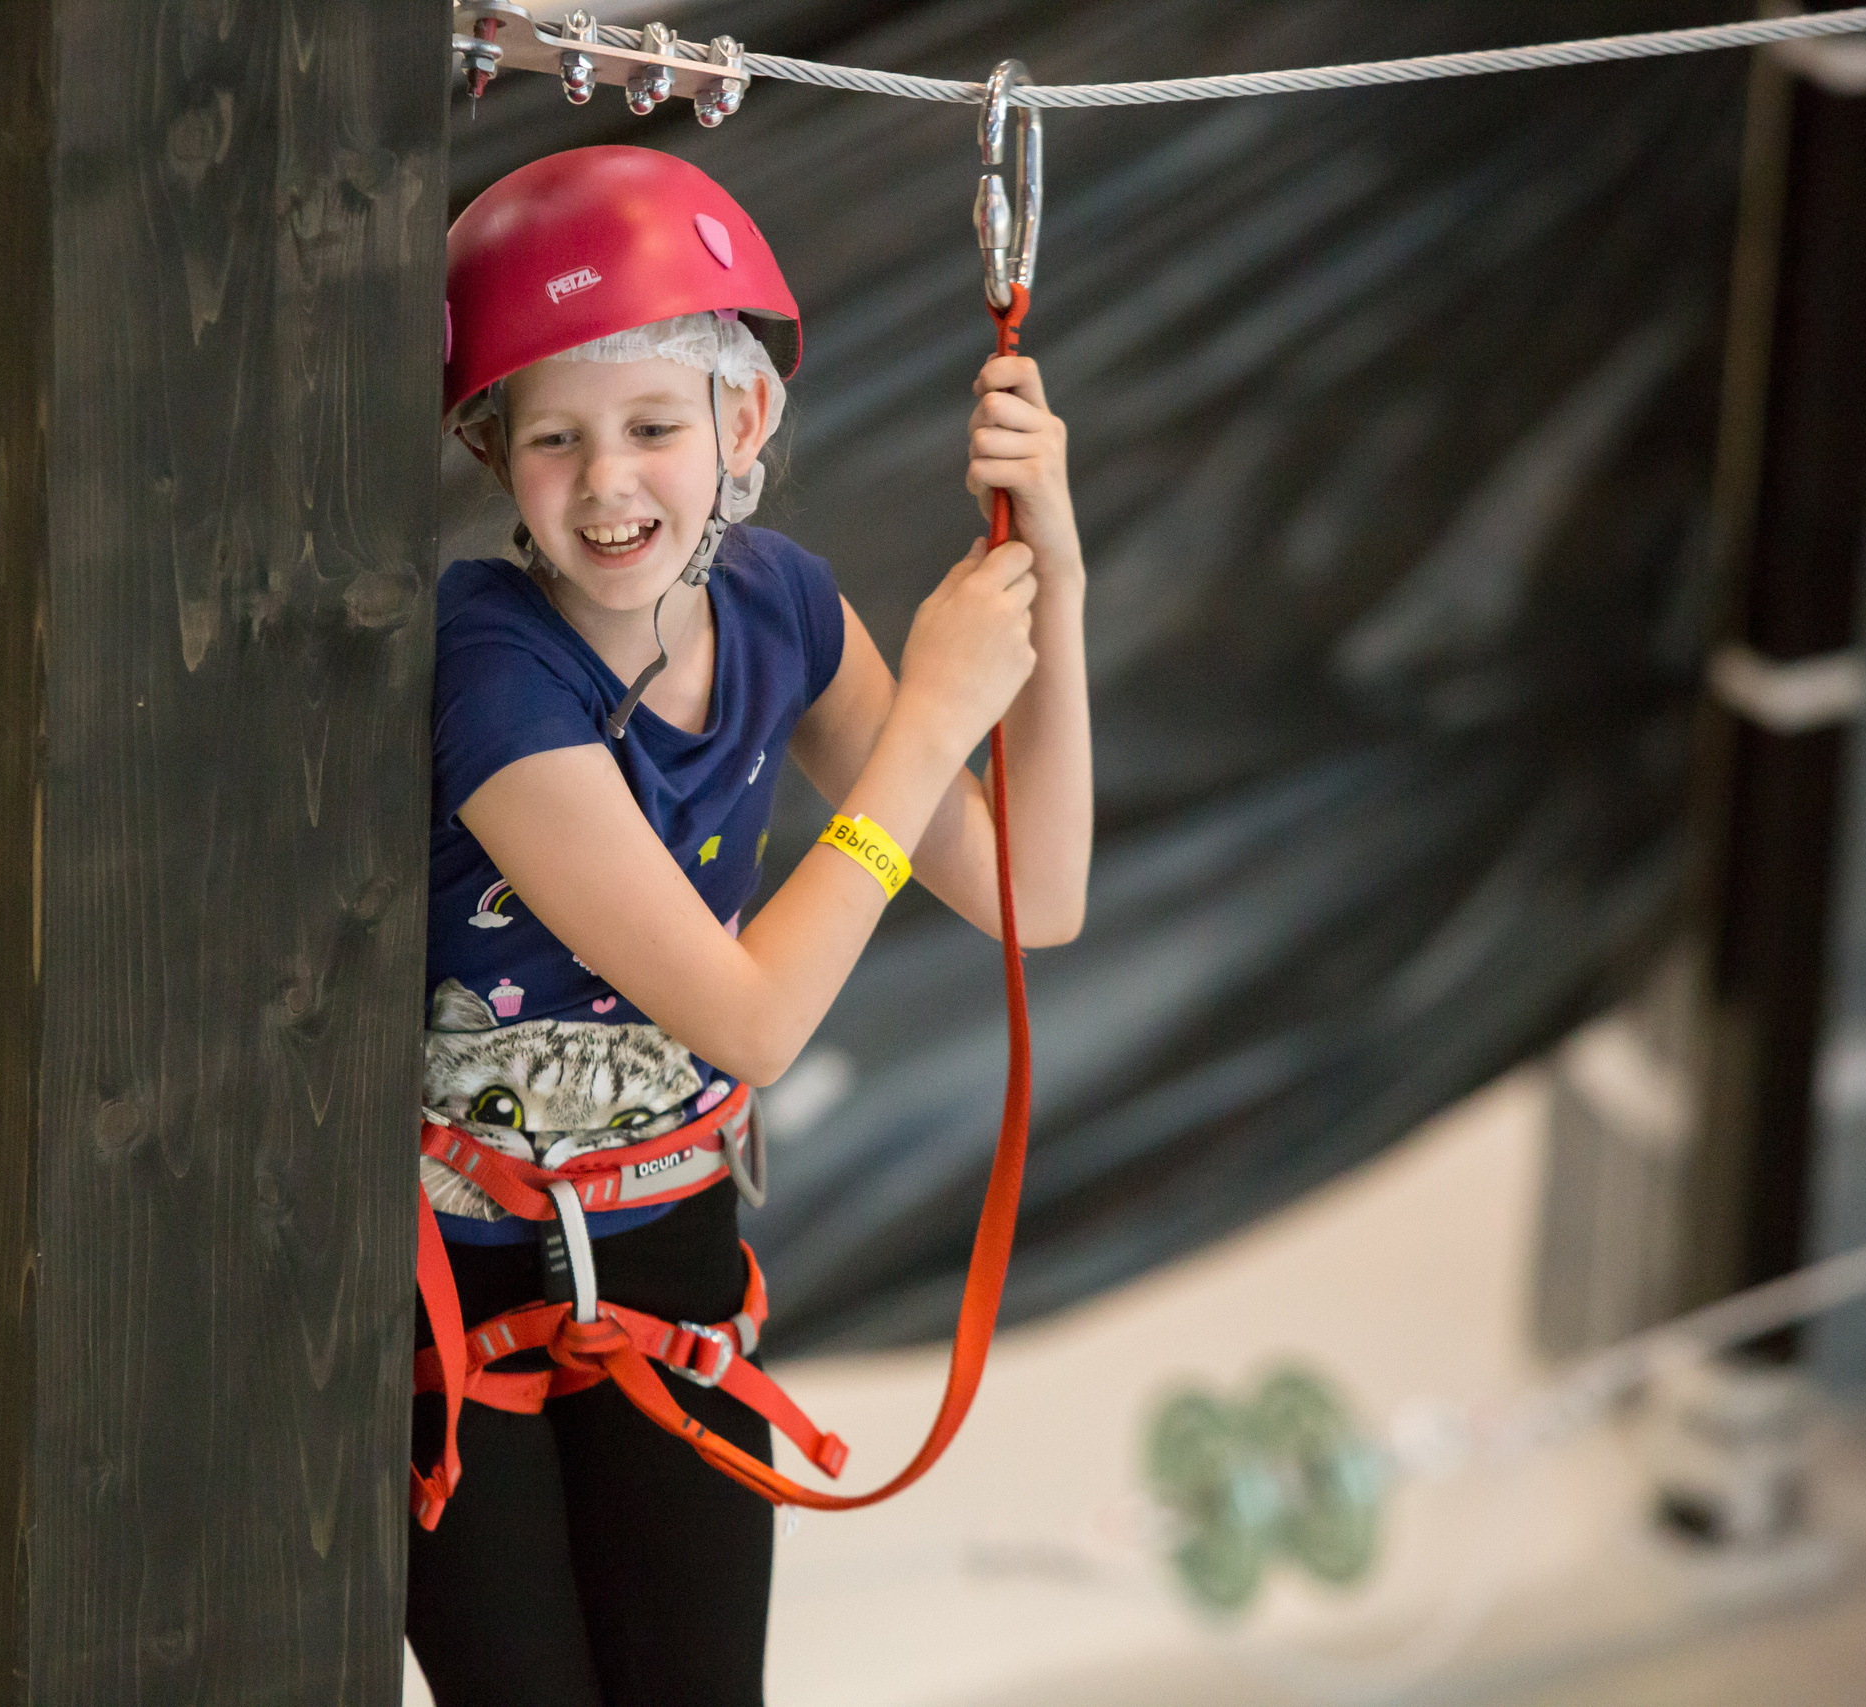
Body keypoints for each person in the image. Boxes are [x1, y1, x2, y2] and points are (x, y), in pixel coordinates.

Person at [412, 145, 1092, 1707]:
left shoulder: (782, 610)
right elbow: (753, 1020)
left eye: (655, 427)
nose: (606, 485)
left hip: (670, 1243)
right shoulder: (491, 674)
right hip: (456, 1285)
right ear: (492, 451)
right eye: (554, 441)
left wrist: (1049, 555)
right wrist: (925, 725)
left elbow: (1031, 896)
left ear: (747, 421)